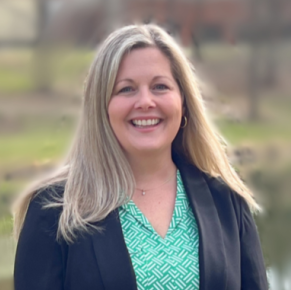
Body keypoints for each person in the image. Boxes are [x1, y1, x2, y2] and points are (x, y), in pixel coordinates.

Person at [13, 24, 268, 290]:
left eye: (160, 86)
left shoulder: (227, 202)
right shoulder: (55, 211)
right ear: (101, 107)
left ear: (183, 102)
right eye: (126, 89)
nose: (145, 101)